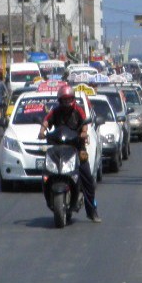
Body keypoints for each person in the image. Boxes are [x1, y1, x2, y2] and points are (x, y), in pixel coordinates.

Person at [39, 84, 99, 221]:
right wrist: (42, 131)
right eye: (64, 100)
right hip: (59, 148)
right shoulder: (55, 111)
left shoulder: (78, 110)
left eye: (69, 99)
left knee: (87, 179)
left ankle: (92, 211)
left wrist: (83, 132)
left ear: (73, 99)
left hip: (77, 147)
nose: (66, 102)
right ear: (60, 100)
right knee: (46, 172)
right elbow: (47, 120)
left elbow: (84, 122)